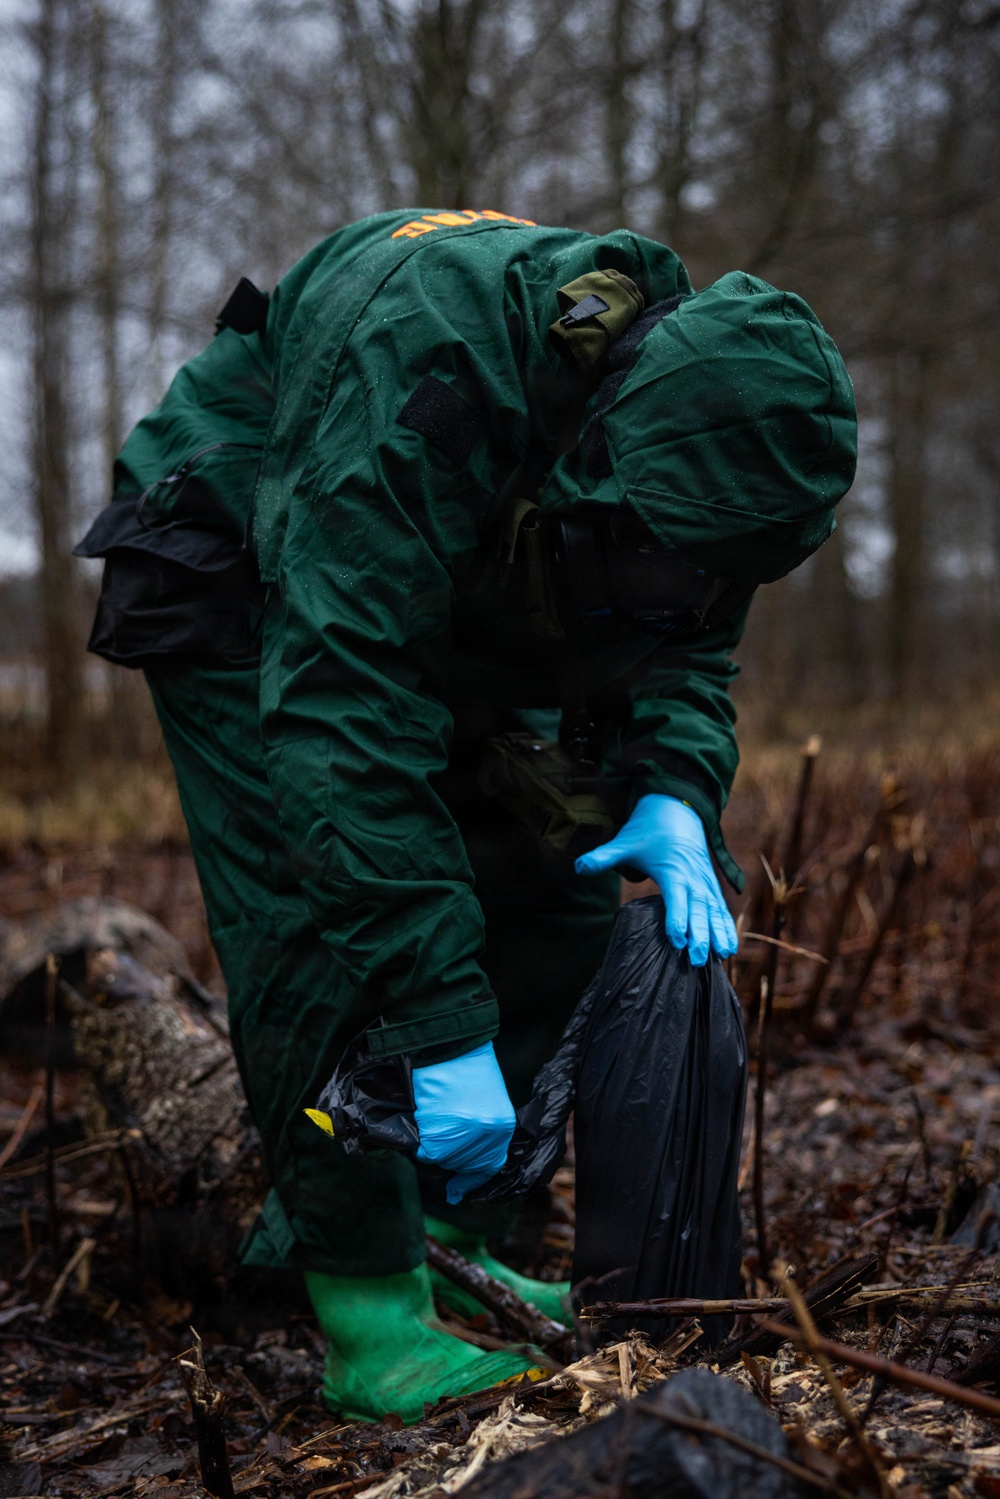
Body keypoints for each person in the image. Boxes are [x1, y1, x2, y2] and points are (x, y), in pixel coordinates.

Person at [76, 206, 857, 1422]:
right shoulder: (430, 361)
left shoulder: (717, 428)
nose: (693, 574)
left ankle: (453, 1239)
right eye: (668, 541)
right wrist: (439, 1023)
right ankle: (373, 1318)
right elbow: (341, 714)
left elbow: (686, 640)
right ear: (613, 436)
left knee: (558, 864)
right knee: (317, 901)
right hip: (249, 545)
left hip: (463, 569)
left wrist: (672, 785)